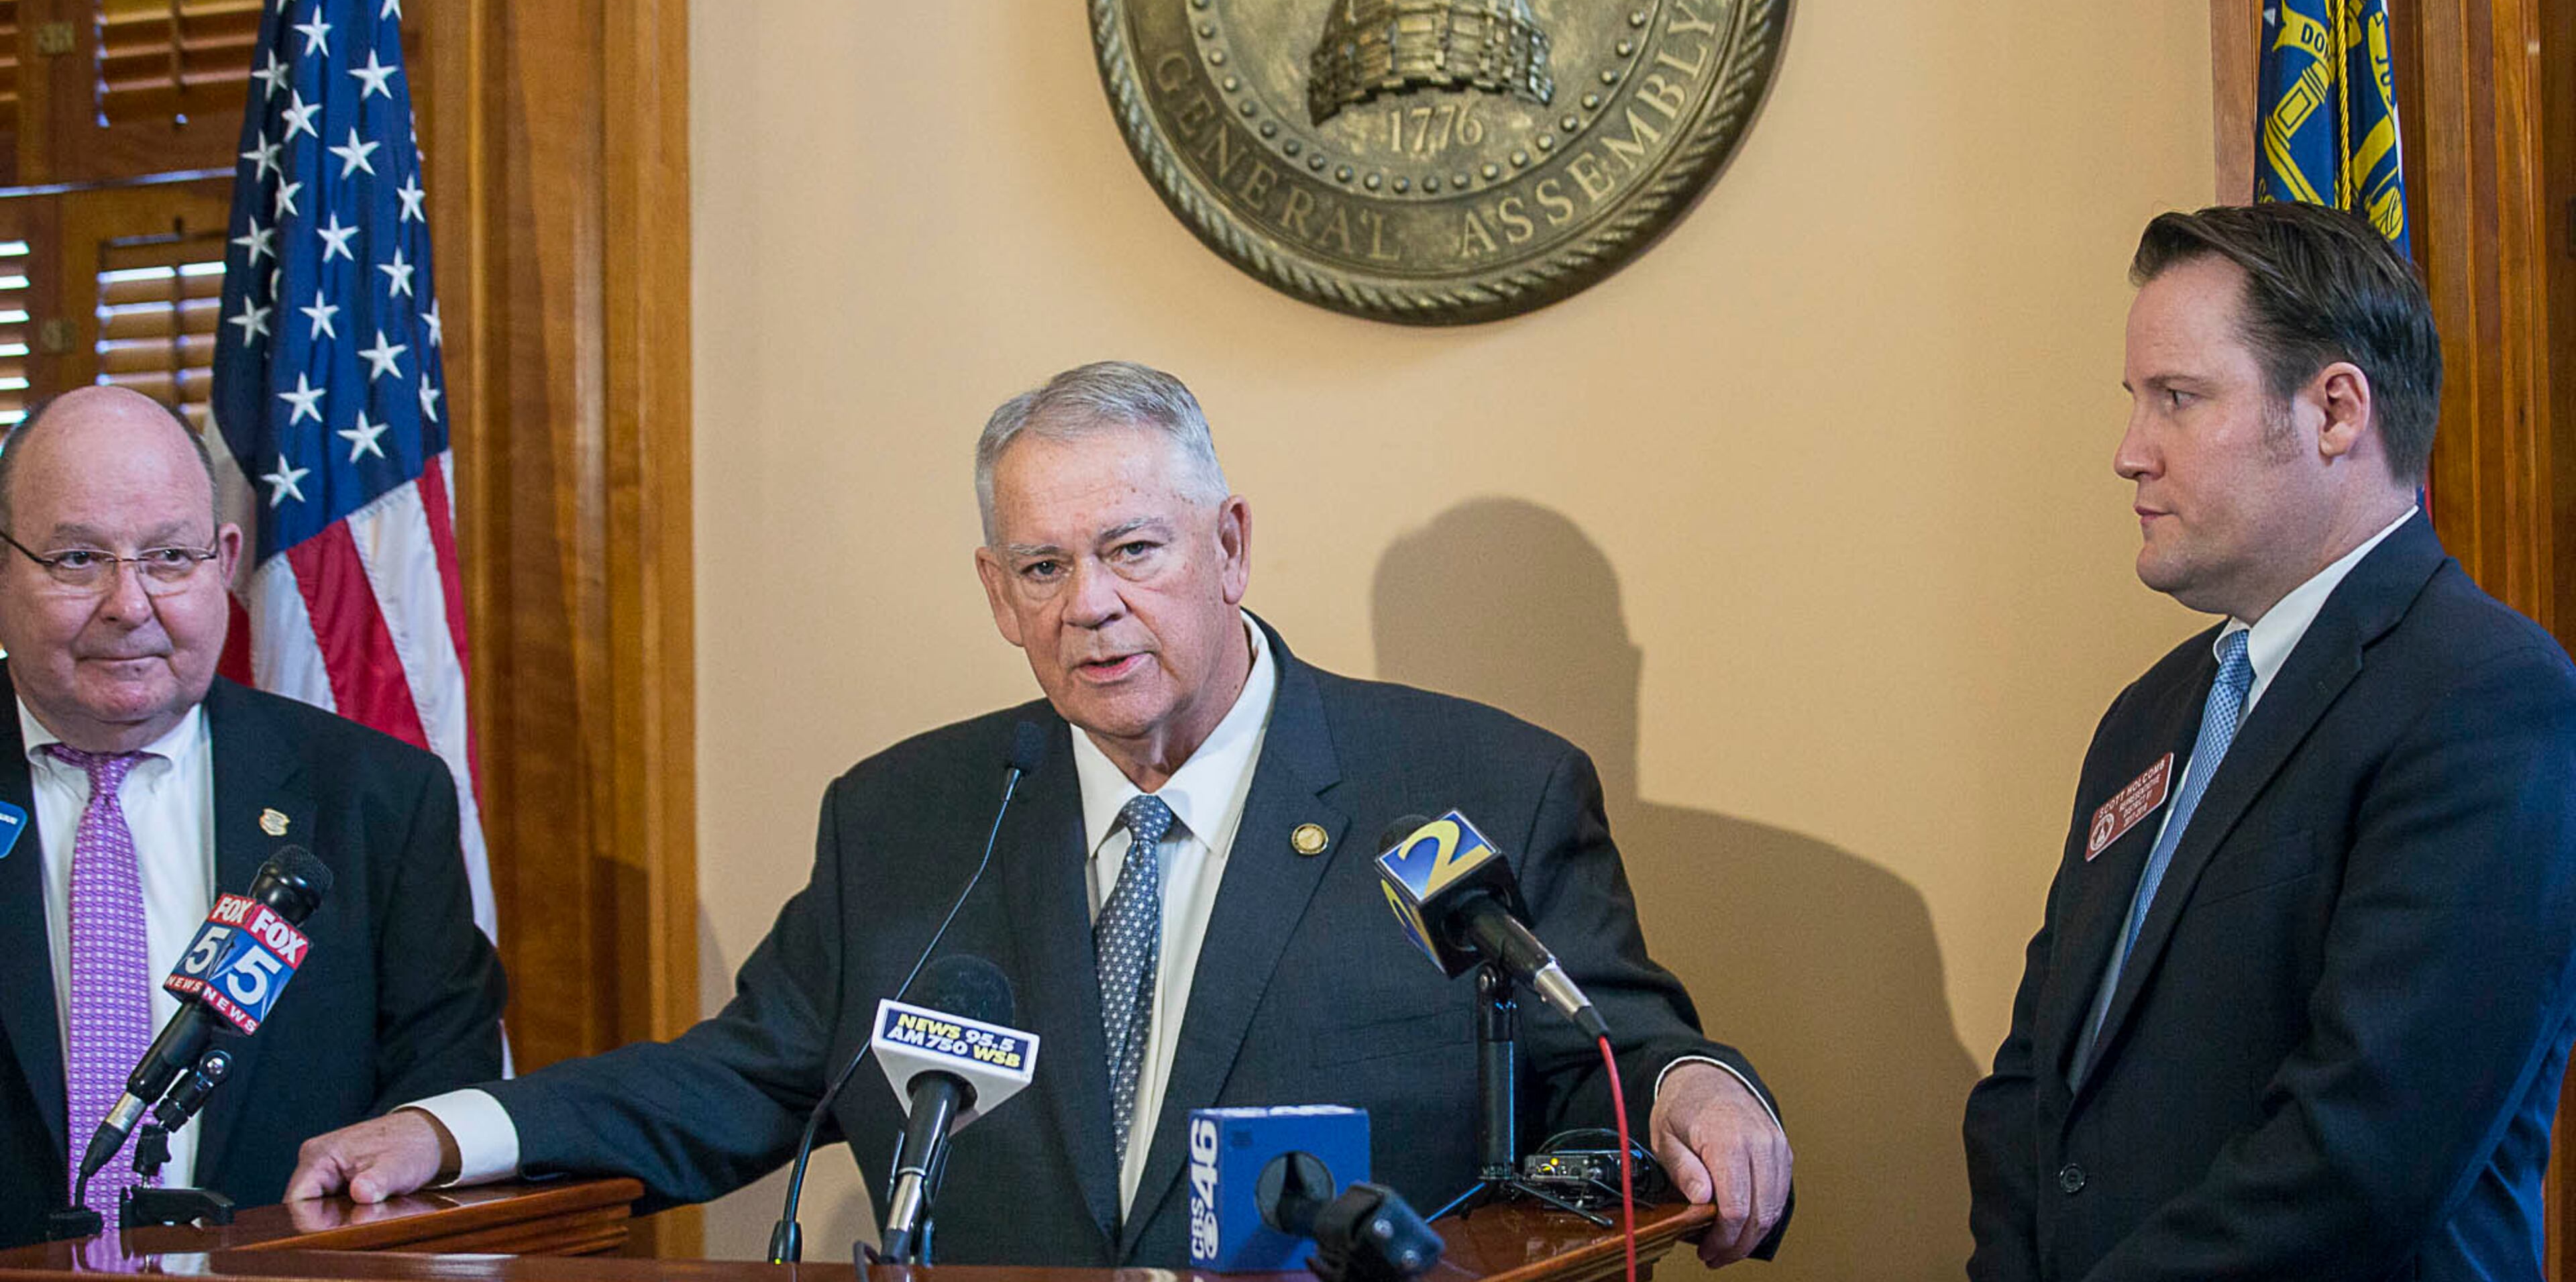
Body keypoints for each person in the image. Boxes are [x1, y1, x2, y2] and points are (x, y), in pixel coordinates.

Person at [290, 361, 1793, 1266]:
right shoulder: (908, 817)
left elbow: (1616, 1057)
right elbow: (737, 1081)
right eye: (1041, 568)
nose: (1094, 609)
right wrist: (454, 1126)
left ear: (1232, 546)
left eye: (1133, 549)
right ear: (996, 594)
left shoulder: (1468, 790)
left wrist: (1699, 1090)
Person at [1962, 203, 2576, 1280]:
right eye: (2135, 402)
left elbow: (2364, 1155)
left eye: (2178, 400)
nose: (2128, 453)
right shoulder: (2149, 715)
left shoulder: (2487, 699)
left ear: (2337, 410)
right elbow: (2035, 1082)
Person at [0, 387, 506, 1249]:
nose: (129, 604)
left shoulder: (379, 802)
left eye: (168, 558)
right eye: (78, 559)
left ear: (224, 560)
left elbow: (438, 1114)